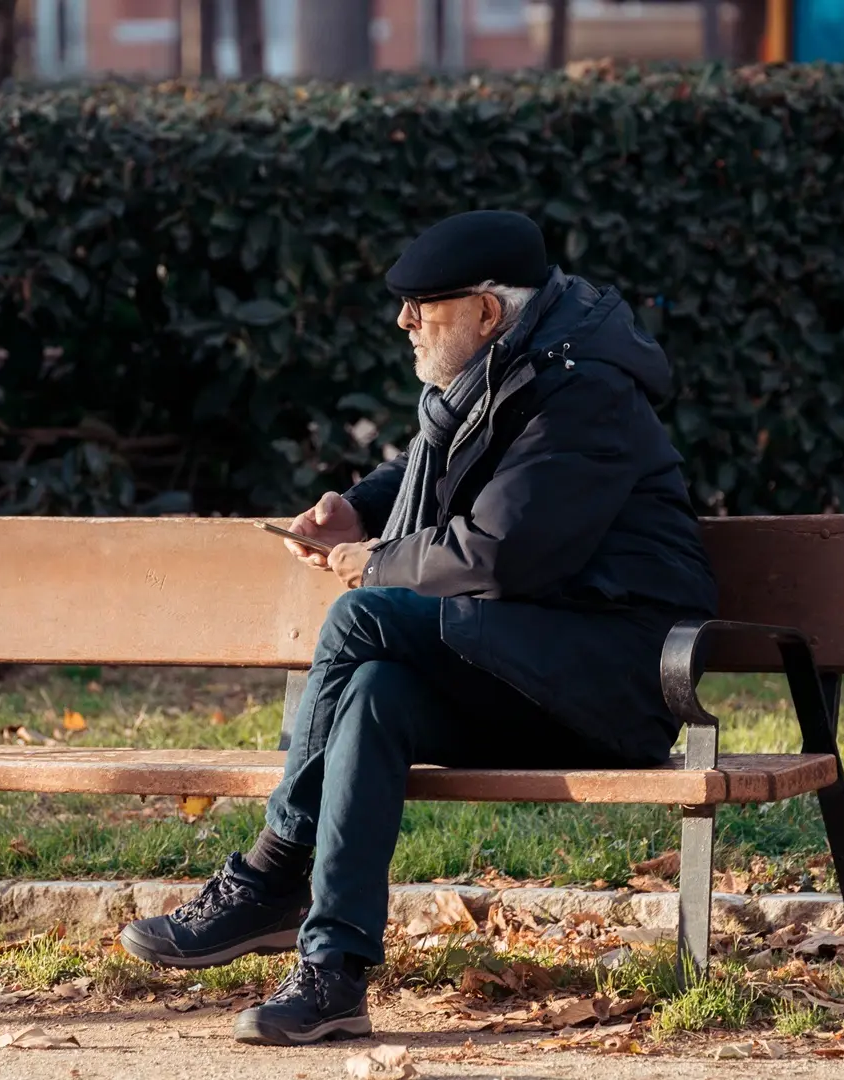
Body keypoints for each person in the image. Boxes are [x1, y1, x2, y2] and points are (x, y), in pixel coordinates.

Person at [116, 210, 720, 1046]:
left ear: (487, 313)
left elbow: (503, 553)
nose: (404, 321)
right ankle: (333, 972)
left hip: (608, 678)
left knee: (366, 612)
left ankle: (271, 872)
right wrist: (357, 507)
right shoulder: (508, 371)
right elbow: (436, 463)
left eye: (424, 306)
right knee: (375, 692)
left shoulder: (587, 393)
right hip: (519, 665)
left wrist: (374, 560)